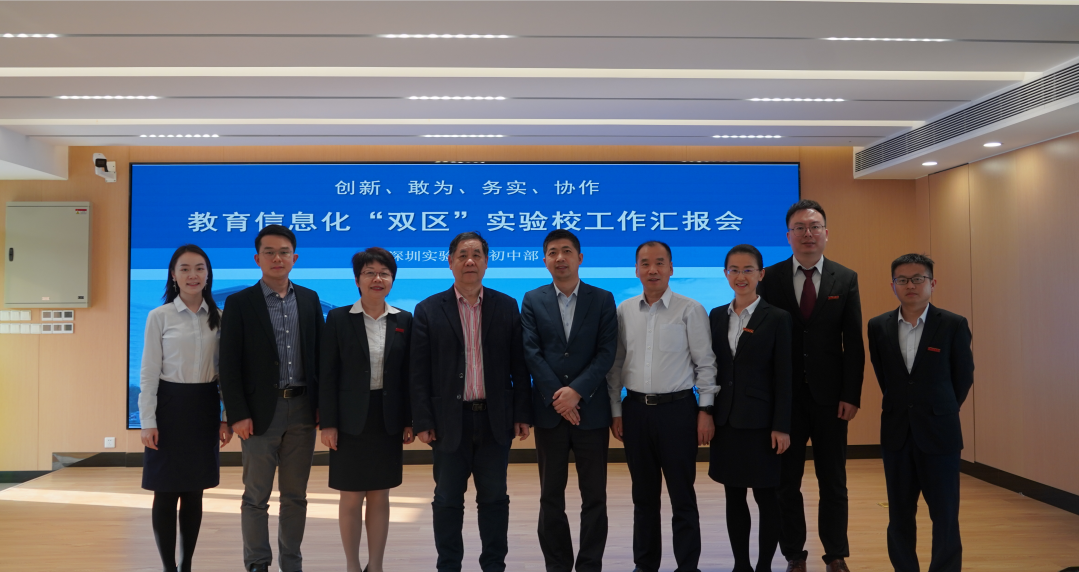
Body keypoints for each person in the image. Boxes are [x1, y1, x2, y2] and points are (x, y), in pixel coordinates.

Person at [410, 231, 533, 572]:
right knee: (447, 500)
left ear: (486, 262)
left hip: (495, 420)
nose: (470, 261)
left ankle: (494, 565)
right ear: (450, 262)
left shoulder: (506, 305)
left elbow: (520, 366)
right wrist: (423, 420)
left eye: (477, 254)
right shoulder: (428, 309)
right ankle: (448, 565)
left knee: (494, 499)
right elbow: (418, 372)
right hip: (448, 421)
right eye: (463, 255)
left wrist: (522, 412)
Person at [758, 200, 865, 572]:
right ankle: (794, 554)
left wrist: (851, 394)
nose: (808, 233)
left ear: (826, 233)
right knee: (786, 481)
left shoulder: (845, 278)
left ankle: (835, 554)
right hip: (785, 400)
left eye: (815, 226)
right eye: (800, 227)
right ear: (788, 235)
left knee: (833, 479)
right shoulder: (769, 278)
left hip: (831, 399)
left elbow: (853, 343)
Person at [607, 240, 718, 572]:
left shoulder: (690, 309)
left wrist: (705, 411)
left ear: (671, 268)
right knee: (643, 498)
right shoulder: (624, 310)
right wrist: (616, 411)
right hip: (635, 411)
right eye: (645, 263)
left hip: (678, 412)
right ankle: (645, 565)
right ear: (636, 270)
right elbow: (615, 365)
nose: (652, 269)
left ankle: (688, 567)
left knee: (682, 496)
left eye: (659, 263)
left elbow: (706, 364)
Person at [219, 224, 324, 572]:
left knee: (295, 496)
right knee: (256, 496)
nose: (277, 258)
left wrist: (323, 406)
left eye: (283, 252)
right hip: (259, 413)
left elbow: (320, 358)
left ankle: (291, 563)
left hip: (303, 410)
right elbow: (229, 364)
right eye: (269, 252)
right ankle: (257, 563)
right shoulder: (239, 303)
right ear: (257, 258)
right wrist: (236, 413)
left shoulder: (309, 299)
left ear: (295, 258)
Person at [868, 254, 973, 572]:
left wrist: (941, 408)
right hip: (897, 433)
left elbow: (962, 376)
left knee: (945, 514)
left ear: (932, 283)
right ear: (893, 285)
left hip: (940, 433)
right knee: (899, 513)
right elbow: (884, 376)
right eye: (902, 280)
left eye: (918, 278)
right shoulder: (878, 326)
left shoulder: (953, 324)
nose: (910, 285)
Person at [521, 229, 618, 572]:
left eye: (566, 251)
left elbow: (606, 352)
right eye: (552, 252)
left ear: (580, 257)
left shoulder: (602, 299)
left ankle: (590, 564)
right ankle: (557, 565)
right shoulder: (532, 299)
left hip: (591, 411)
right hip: (550, 414)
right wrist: (559, 398)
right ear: (544, 260)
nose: (559, 258)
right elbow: (531, 352)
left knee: (595, 497)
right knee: (551, 496)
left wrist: (576, 392)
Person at [320, 247, 415, 572]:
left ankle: (376, 566)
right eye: (370, 273)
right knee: (350, 496)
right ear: (357, 280)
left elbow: (409, 376)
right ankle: (352, 565)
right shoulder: (338, 319)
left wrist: (409, 420)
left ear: (392, 280)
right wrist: (328, 423)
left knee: (379, 495)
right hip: (348, 420)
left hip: (386, 419)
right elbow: (328, 374)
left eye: (384, 273)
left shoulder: (404, 319)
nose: (377, 279)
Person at [139, 244, 232, 572]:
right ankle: (169, 567)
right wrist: (147, 420)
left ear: (208, 275)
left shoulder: (221, 318)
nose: (193, 275)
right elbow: (149, 373)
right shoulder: (159, 316)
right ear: (173, 275)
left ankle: (186, 564)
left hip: (204, 408)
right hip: (168, 409)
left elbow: (226, 373)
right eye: (185, 268)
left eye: (199, 268)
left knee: (194, 492)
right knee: (164, 492)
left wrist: (225, 417)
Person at [707, 244, 793, 572]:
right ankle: (741, 565)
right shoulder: (716, 316)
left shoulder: (778, 318)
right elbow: (712, 368)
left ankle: (764, 566)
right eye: (734, 270)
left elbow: (784, 376)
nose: (740, 276)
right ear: (725, 273)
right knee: (734, 497)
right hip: (727, 422)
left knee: (767, 498)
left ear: (761, 274)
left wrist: (781, 425)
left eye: (748, 270)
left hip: (762, 424)